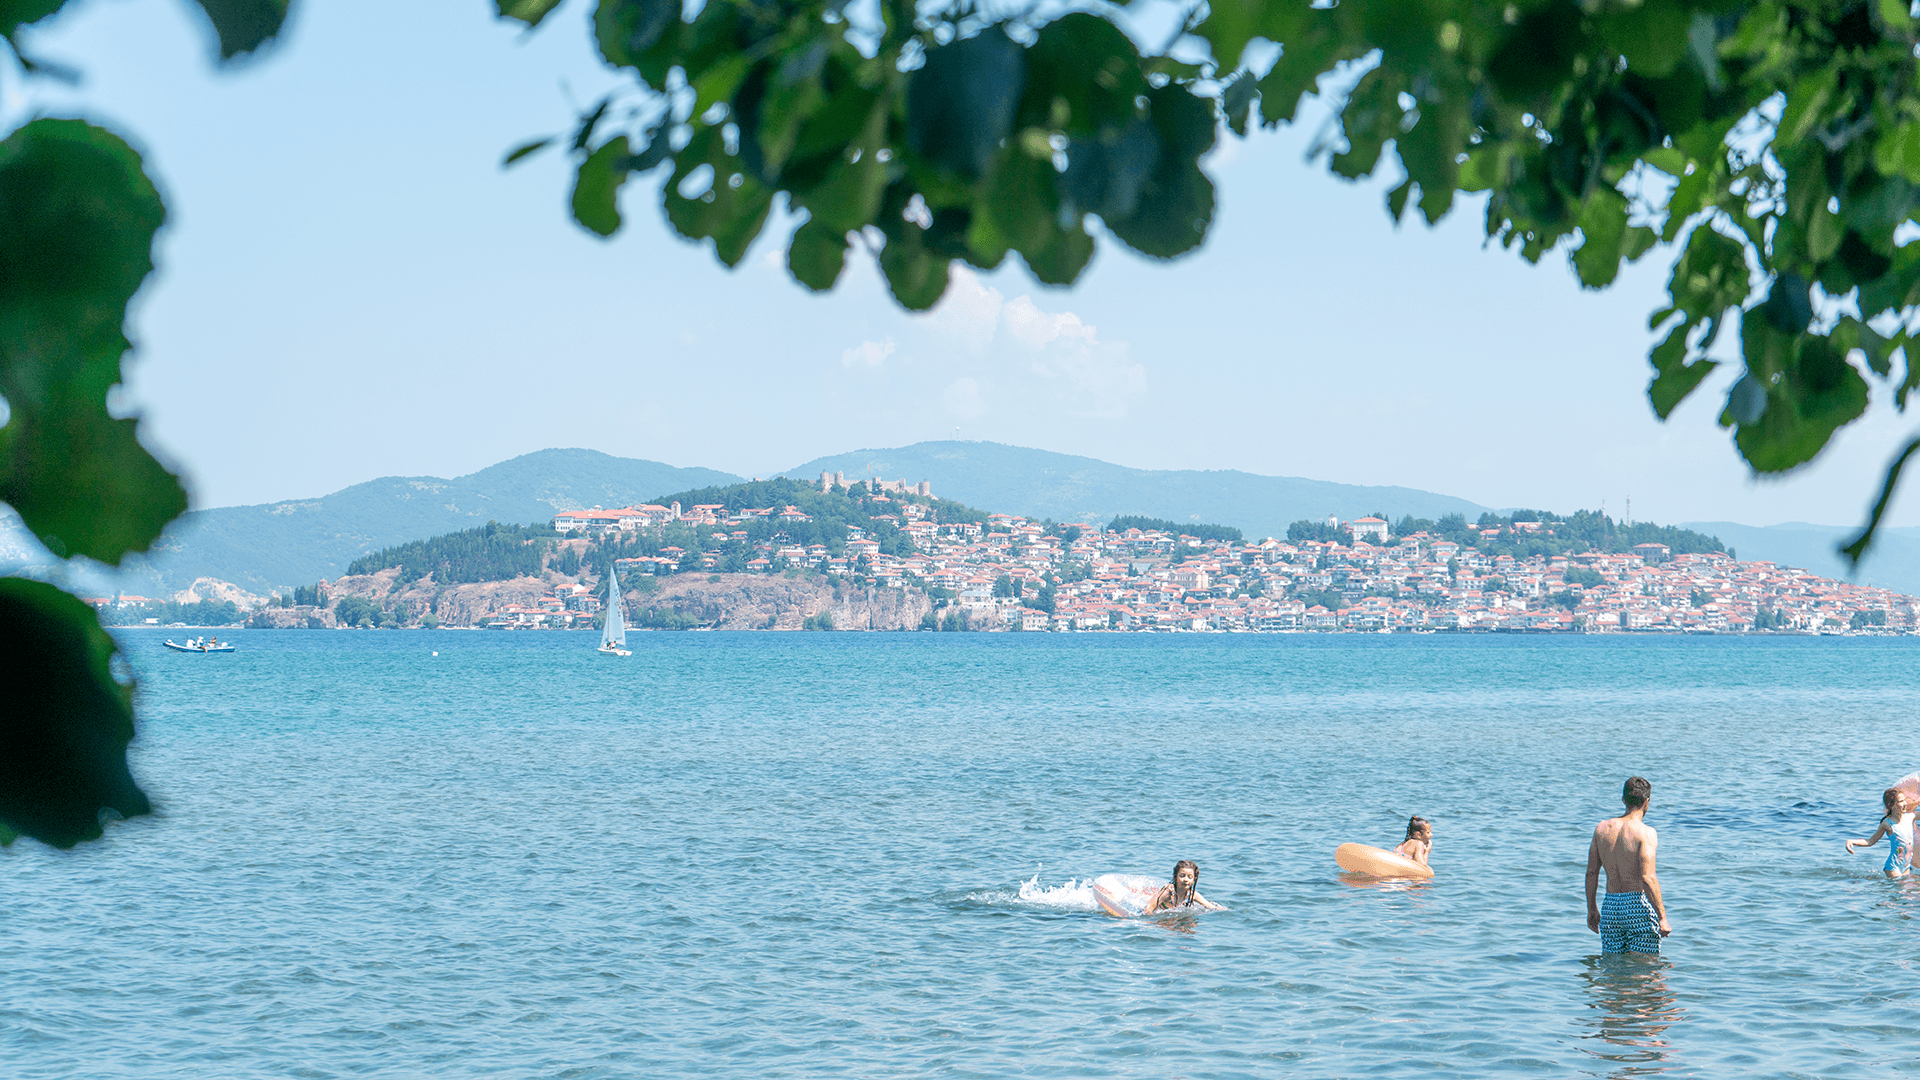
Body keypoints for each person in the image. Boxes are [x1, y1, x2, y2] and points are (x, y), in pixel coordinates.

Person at [1586, 776, 1671, 954]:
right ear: (1647, 801)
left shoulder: (1602, 829)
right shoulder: (1646, 833)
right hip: (1636, 906)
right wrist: (1662, 917)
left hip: (1611, 906)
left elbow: (1592, 873)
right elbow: (1648, 877)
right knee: (1645, 969)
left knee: (1612, 970)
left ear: (1623, 799)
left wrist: (1592, 909)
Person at [1845, 787, 1915, 878]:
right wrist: (1851, 841)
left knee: (1907, 889)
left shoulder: (1910, 817)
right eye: (1901, 801)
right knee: (1900, 889)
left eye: (1905, 800)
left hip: (1906, 866)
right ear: (1891, 805)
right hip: (1893, 867)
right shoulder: (1887, 824)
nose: (1905, 803)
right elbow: (1870, 841)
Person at [1145, 860, 1223, 913]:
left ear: (1194, 879)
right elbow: (1148, 909)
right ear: (1176, 876)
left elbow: (1211, 907)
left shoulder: (1193, 895)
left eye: (1190, 877)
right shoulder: (1168, 892)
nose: (1186, 879)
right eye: (1182, 876)